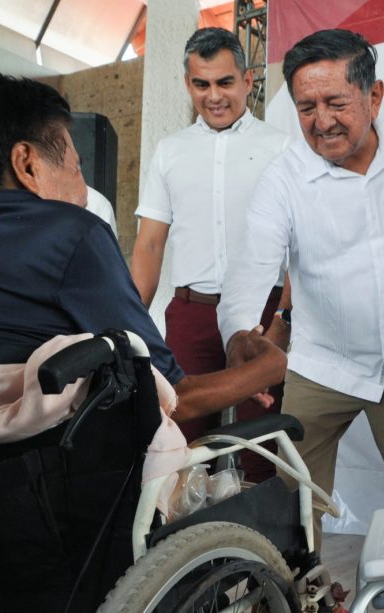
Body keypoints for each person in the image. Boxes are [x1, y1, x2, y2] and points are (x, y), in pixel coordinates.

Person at [0, 68, 286, 428]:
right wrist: (270, 365)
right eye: (75, 168)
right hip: (45, 484)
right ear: (26, 164)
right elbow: (174, 397)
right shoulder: (72, 232)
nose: (81, 190)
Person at [217, 28, 384, 584]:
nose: (321, 121)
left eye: (336, 103)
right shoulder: (284, 177)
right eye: (306, 107)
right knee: (293, 510)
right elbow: (252, 266)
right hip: (322, 364)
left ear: (374, 97)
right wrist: (241, 334)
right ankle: (291, 598)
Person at [131, 27, 290, 482]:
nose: (214, 96)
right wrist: (131, 320)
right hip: (191, 314)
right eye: (202, 84)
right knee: (179, 440)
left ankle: (266, 550)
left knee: (262, 441)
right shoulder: (170, 152)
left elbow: (300, 246)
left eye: (225, 82)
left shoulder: (280, 148)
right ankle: (187, 547)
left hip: (260, 314)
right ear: (188, 85)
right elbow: (150, 243)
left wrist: (282, 318)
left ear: (246, 80)